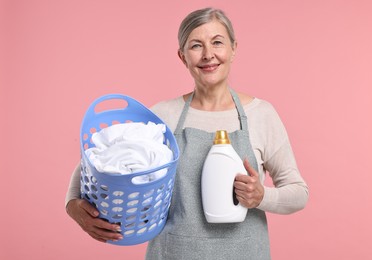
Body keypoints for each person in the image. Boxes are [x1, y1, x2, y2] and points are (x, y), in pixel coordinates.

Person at [65, 7, 309, 260]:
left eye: (217, 42)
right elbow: (97, 161)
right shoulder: (161, 116)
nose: (208, 55)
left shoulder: (261, 115)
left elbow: (298, 193)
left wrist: (261, 196)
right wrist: (74, 207)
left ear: (233, 48)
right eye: (196, 46)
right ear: (183, 57)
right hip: (173, 252)